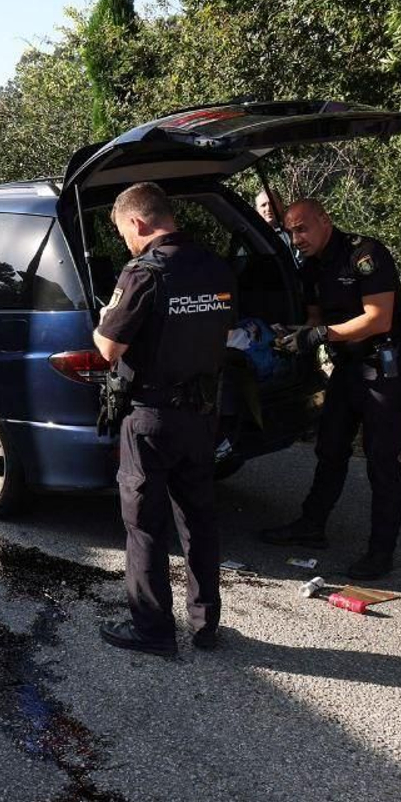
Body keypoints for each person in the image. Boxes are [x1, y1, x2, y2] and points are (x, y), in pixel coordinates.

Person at [93, 182, 237, 655]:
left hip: (152, 418)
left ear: (138, 223)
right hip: (201, 415)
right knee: (199, 519)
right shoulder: (215, 266)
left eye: (124, 234)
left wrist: (102, 320)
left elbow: (110, 347)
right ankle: (205, 625)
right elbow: (225, 331)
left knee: (145, 525)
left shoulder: (143, 273)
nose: (127, 244)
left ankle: (153, 632)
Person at [260, 199, 401, 580]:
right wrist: (297, 334)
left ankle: (381, 552)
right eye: (291, 231)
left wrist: (320, 334)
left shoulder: (365, 254)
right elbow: (314, 318)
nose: (297, 238)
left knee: (382, 460)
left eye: (302, 229)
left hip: (384, 366)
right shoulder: (311, 266)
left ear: (325, 221)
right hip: (348, 366)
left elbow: (378, 320)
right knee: (330, 447)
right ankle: (311, 526)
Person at [255, 187, 294, 256]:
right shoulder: (253, 236)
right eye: (263, 205)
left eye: (272, 203)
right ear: (257, 210)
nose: (268, 208)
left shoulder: (295, 230)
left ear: (281, 205)